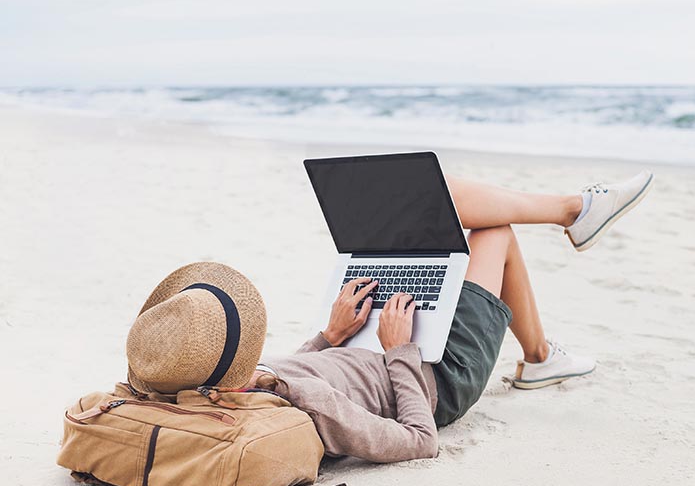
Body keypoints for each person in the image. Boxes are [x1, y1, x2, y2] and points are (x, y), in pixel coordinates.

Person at [250, 170, 654, 464]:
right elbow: (420, 439)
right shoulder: (310, 404)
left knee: (425, 197)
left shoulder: (228, 381)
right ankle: (573, 214)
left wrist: (329, 335)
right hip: (437, 375)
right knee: (493, 232)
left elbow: (295, 370)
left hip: (364, 345)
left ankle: (541, 354)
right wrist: (400, 349)